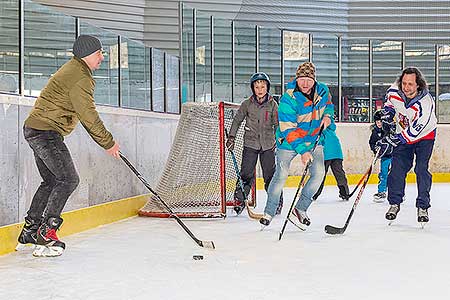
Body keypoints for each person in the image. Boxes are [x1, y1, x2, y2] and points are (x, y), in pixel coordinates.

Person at [17, 35, 120, 257]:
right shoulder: (80, 76)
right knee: (69, 179)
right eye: (99, 53)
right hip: (45, 131)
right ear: (87, 55)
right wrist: (108, 142)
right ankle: (47, 233)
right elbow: (88, 115)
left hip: (36, 128)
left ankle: (30, 230)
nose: (102, 57)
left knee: (51, 181)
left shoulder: (74, 69)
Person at [259, 62, 334, 227]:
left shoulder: (323, 91)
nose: (305, 83)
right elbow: (288, 129)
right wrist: (302, 151)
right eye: (302, 79)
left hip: (314, 140)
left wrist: (328, 117)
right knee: (281, 175)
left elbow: (329, 106)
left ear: (314, 79)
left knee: (319, 174)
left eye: (309, 79)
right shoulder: (289, 98)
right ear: (297, 79)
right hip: (289, 143)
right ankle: (269, 211)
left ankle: (300, 209)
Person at [376, 67, 437, 224]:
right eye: (404, 83)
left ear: (418, 85)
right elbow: (390, 104)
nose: (406, 87)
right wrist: (387, 114)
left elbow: (416, 130)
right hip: (402, 132)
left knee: (421, 169)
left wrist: (394, 140)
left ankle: (422, 206)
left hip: (424, 136)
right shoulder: (394, 91)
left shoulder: (425, 102)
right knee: (397, 168)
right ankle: (394, 203)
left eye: (411, 84)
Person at [226, 72, 281, 215]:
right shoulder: (247, 104)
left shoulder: (273, 105)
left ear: (267, 87)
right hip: (250, 144)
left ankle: (276, 202)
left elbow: (277, 124)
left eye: (262, 86)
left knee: (270, 175)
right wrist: (231, 137)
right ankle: (240, 201)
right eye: (257, 87)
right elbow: (237, 120)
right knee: (246, 174)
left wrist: (280, 140)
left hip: (268, 145)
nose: (260, 89)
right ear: (253, 88)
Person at [312, 120, 349, 201]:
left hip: (325, 153)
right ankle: (344, 193)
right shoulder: (330, 126)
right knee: (339, 173)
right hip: (337, 152)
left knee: (320, 174)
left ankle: (314, 193)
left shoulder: (318, 127)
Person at [369, 109, 392, 203]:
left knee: (395, 174)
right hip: (385, 157)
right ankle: (381, 191)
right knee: (383, 174)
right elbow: (372, 142)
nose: (379, 123)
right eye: (377, 121)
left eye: (380, 121)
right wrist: (375, 149)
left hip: (395, 156)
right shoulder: (375, 132)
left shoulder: (390, 130)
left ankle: (397, 192)